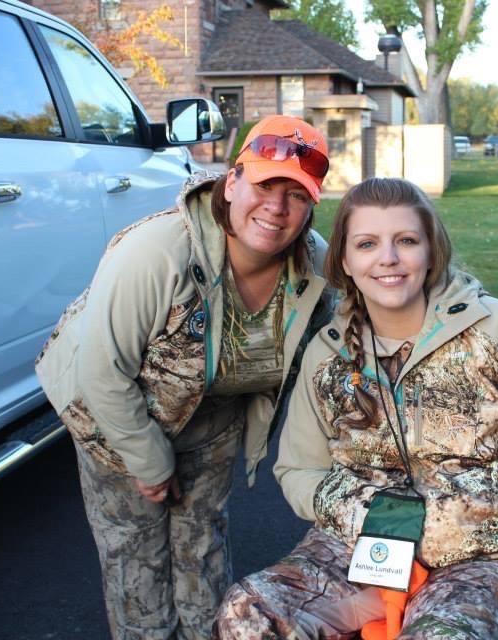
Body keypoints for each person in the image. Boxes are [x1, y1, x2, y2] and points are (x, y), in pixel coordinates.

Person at [214, 177, 498, 639]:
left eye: (406, 241)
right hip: (360, 550)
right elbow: (298, 470)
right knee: (248, 611)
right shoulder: (328, 352)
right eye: (367, 243)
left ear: (430, 250)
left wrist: (481, 509)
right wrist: (360, 513)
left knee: (440, 634)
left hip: (487, 552)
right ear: (344, 258)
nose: (388, 259)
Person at [34, 115, 333, 640]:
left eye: (297, 195)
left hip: (213, 415)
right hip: (115, 413)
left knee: (202, 548)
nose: (277, 207)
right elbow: (103, 370)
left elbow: (378, 298)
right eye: (265, 184)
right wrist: (148, 462)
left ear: (311, 207)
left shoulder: (314, 268)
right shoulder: (157, 252)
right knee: (138, 560)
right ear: (232, 180)